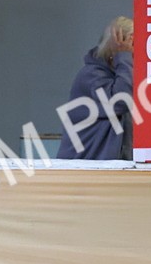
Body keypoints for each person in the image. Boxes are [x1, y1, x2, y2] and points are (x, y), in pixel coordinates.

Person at [56, 16, 134, 160]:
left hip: (110, 171)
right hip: (83, 171)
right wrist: (124, 57)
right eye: (131, 48)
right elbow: (121, 101)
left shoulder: (125, 78)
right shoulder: (91, 76)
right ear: (114, 51)